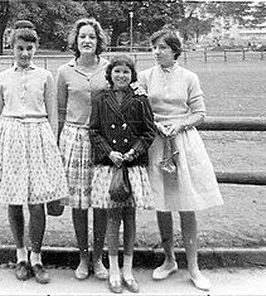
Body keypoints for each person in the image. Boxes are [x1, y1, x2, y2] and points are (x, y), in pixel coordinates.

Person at [138, 29, 224, 291]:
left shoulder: (189, 77)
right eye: (154, 47)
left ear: (174, 50)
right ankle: (168, 260)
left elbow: (199, 113)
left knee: (187, 204)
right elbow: (140, 109)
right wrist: (155, 124)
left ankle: (194, 267)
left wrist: (180, 125)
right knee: (162, 203)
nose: (156, 52)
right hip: (155, 142)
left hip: (183, 144)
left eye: (161, 47)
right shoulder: (144, 76)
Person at [0, 20, 67, 284]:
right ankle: (20, 255)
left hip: (38, 135)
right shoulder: (3, 78)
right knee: (15, 199)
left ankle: (36, 257)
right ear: (12, 49)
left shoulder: (45, 76)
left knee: (37, 200)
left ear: (36, 47)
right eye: (20, 48)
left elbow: (53, 115)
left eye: (30, 48)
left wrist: (51, 145)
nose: (25, 53)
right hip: (11, 137)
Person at [89, 55, 156, 294]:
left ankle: (128, 268)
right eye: (117, 71)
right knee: (112, 217)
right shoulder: (100, 99)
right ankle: (114, 268)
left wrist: (132, 152)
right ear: (110, 74)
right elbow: (94, 131)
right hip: (110, 165)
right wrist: (110, 153)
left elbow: (149, 132)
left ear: (132, 76)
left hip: (132, 165)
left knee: (130, 216)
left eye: (126, 72)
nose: (121, 76)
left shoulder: (140, 100)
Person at [56, 18, 110, 280]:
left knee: (100, 201)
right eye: (82, 37)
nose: (87, 41)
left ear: (98, 40)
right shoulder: (65, 71)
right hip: (73, 139)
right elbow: (60, 111)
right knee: (78, 204)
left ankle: (99, 259)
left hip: (102, 140)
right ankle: (82, 257)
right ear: (75, 42)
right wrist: (56, 147)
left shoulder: (110, 69)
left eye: (91, 36)